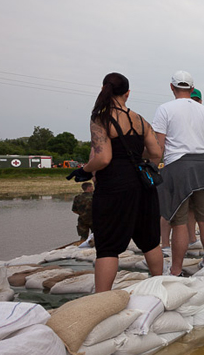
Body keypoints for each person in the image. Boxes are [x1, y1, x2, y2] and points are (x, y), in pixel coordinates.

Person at [69, 72, 163, 292]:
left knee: (108, 247)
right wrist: (136, 159)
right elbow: (156, 153)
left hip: (114, 185)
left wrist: (84, 170)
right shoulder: (141, 120)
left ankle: (102, 300)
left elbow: (103, 158)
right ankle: (160, 286)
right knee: (150, 241)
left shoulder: (101, 118)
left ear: (104, 89)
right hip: (142, 184)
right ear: (127, 94)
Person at [152, 70, 204, 276]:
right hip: (202, 166)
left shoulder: (164, 109)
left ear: (172, 87)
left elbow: (158, 146)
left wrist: (152, 168)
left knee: (179, 222)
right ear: (191, 89)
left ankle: (176, 270)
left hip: (178, 167)